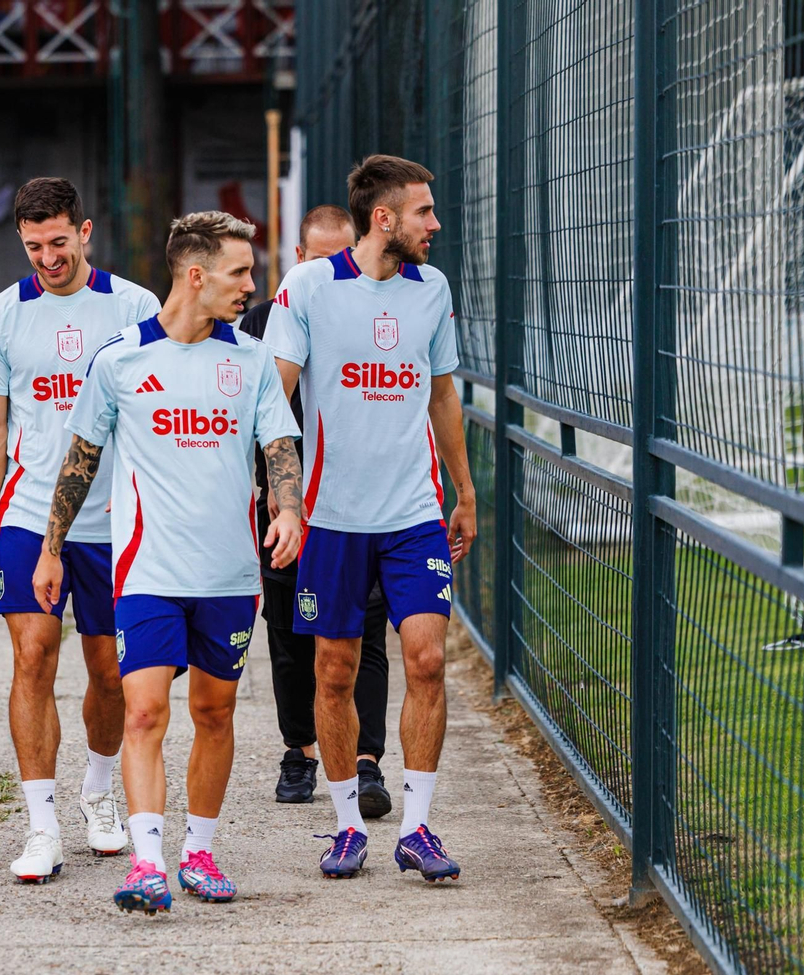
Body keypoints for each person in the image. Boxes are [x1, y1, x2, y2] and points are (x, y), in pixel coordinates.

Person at [34, 211, 304, 914]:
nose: (252, 284)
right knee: (146, 711)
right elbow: (81, 459)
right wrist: (51, 547)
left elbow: (278, 446)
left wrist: (287, 508)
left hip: (229, 577)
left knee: (214, 712)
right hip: (147, 573)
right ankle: (148, 862)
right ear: (196, 274)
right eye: (240, 272)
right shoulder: (120, 358)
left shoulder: (249, 361)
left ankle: (201, 851)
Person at [266, 156, 478, 883]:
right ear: (383, 218)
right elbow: (274, 401)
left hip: (414, 514)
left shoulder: (433, 290)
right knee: (334, 669)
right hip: (332, 519)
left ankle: (417, 827)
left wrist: (466, 488)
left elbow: (443, 395)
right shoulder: (309, 288)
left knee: (425, 658)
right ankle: (347, 825)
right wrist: (283, 496)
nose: (435, 224)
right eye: (423, 211)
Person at [0, 178, 160, 882]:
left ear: (84, 233)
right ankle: (41, 825)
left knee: (110, 672)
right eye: (32, 246)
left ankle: (99, 792)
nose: (46, 258)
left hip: (113, 519)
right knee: (34, 656)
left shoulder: (135, 306)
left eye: (57, 242)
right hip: (26, 515)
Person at [241, 205, 394, 815]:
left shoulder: (372, 315)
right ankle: (299, 750)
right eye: (319, 256)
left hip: (362, 506)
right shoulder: (256, 325)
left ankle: (367, 760)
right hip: (285, 505)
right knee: (289, 634)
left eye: (343, 254)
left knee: (366, 635)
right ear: (299, 259)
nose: (333, 266)